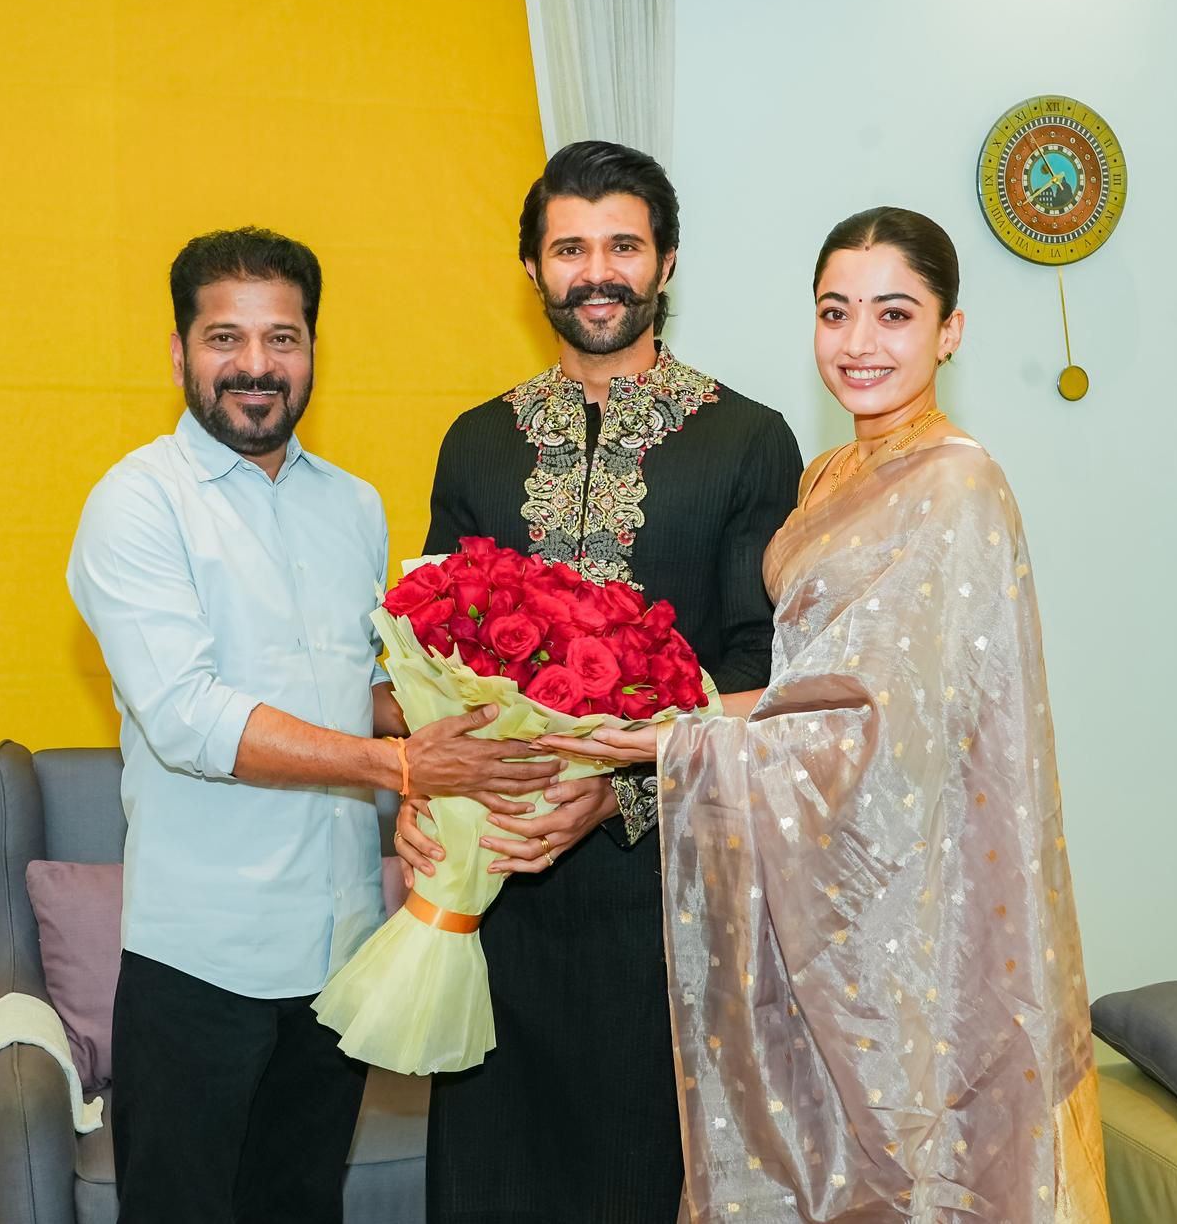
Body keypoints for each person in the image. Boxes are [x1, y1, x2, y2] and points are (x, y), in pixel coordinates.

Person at [542, 208, 1109, 1221]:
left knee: (898, 1153)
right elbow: (807, 684)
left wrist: (667, 741)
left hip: (902, 882)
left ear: (949, 331)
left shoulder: (957, 483)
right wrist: (651, 714)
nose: (858, 343)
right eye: (834, 312)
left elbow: (881, 726)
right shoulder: (829, 474)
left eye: (894, 314)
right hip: (818, 871)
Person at [67, 226, 560, 1224]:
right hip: (201, 956)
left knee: (300, 1206)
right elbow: (188, 719)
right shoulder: (137, 505)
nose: (255, 365)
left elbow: (357, 691)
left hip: (340, 948)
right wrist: (402, 765)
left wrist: (503, 710)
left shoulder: (355, 508)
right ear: (179, 354)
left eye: (281, 338)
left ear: (311, 352)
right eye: (226, 338)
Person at [396, 142, 802, 1224]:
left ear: (666, 262)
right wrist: (425, 792)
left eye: (622, 245)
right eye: (569, 249)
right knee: (492, 1180)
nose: (597, 272)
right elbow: (429, 653)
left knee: (641, 1175)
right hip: (498, 879)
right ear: (532, 269)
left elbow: (761, 667)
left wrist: (616, 787)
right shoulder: (477, 443)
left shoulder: (748, 441)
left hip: (665, 894)